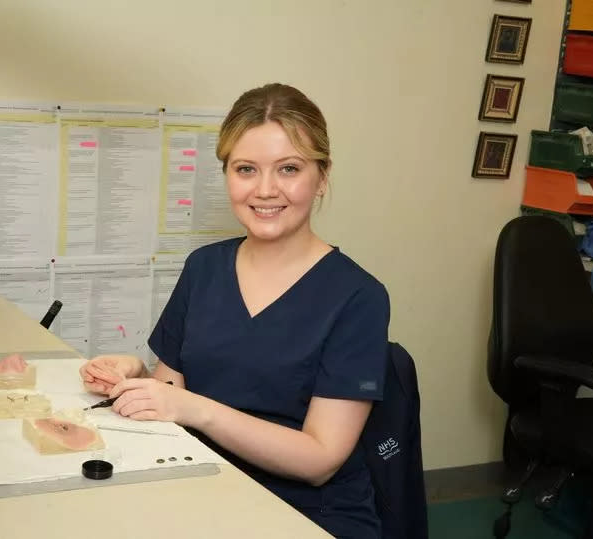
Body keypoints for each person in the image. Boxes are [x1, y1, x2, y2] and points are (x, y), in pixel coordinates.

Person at [80, 83, 390, 538]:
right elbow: (174, 391)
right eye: (246, 169)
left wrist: (194, 408)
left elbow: (319, 460)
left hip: (308, 515)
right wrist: (137, 380)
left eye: (289, 168)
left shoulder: (357, 296)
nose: (265, 190)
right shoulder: (204, 267)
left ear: (322, 177)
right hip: (202, 488)